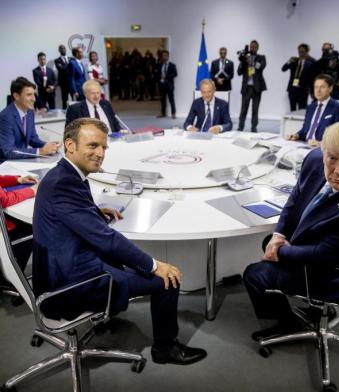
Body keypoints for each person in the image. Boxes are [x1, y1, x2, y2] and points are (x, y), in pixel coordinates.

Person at [32, 118, 207, 365]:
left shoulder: (64, 173)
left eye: (104, 147)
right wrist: (155, 265)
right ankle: (165, 349)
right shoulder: (64, 183)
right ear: (70, 145)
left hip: (60, 269)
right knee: (167, 280)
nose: (100, 153)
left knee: (125, 260)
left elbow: (72, 213)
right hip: (70, 286)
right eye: (92, 146)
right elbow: (107, 240)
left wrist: (94, 212)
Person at [243, 121, 339, 341]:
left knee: (255, 274)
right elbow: (297, 194)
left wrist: (278, 252)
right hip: (329, 247)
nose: (338, 170)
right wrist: (279, 235)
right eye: (332, 158)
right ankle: (307, 303)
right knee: (269, 240)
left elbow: (323, 255)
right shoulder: (315, 159)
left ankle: (287, 323)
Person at [0, 77, 60, 162]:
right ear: (16, 96)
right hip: (7, 165)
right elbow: (9, 151)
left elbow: (33, 138)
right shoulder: (5, 117)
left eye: (34, 94)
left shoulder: (30, 112)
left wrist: (48, 145)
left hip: (22, 161)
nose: (34, 99)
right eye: (29, 95)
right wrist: (40, 151)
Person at [287, 74, 339, 146]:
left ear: (330, 88)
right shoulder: (310, 107)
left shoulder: (338, 108)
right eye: (316, 87)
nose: (318, 90)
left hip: (322, 149)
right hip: (304, 144)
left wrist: (320, 144)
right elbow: (305, 130)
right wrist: (296, 135)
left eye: (322, 87)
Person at [237, 40, 267, 132]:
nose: (252, 48)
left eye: (254, 46)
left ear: (257, 48)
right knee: (243, 109)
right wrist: (243, 61)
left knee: (255, 109)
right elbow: (239, 72)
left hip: (257, 88)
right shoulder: (245, 58)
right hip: (246, 88)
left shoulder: (261, 57)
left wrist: (252, 62)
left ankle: (254, 128)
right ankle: (240, 127)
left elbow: (261, 67)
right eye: (251, 46)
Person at [281, 43, 316, 111]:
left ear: (307, 52)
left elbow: (313, 77)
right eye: (299, 51)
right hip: (292, 89)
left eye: (302, 52)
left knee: (302, 109)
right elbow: (283, 69)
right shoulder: (294, 60)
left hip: (303, 89)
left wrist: (311, 90)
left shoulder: (310, 63)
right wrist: (289, 61)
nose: (300, 53)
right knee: (292, 109)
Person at [156, 50, 177, 118]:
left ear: (168, 56)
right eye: (163, 56)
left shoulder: (172, 65)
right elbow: (157, 74)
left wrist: (166, 76)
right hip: (162, 85)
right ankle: (163, 113)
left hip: (169, 85)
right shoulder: (159, 65)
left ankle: (173, 113)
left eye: (166, 55)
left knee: (171, 100)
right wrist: (160, 77)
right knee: (163, 101)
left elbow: (175, 74)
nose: (164, 57)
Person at [54, 44, 71, 109]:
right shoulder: (56, 60)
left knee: (73, 98)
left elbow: (65, 68)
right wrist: (69, 66)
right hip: (63, 83)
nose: (62, 49)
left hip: (72, 82)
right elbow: (61, 69)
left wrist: (63, 66)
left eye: (64, 48)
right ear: (59, 50)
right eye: (61, 48)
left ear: (66, 49)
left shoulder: (71, 58)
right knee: (64, 99)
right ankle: (64, 113)